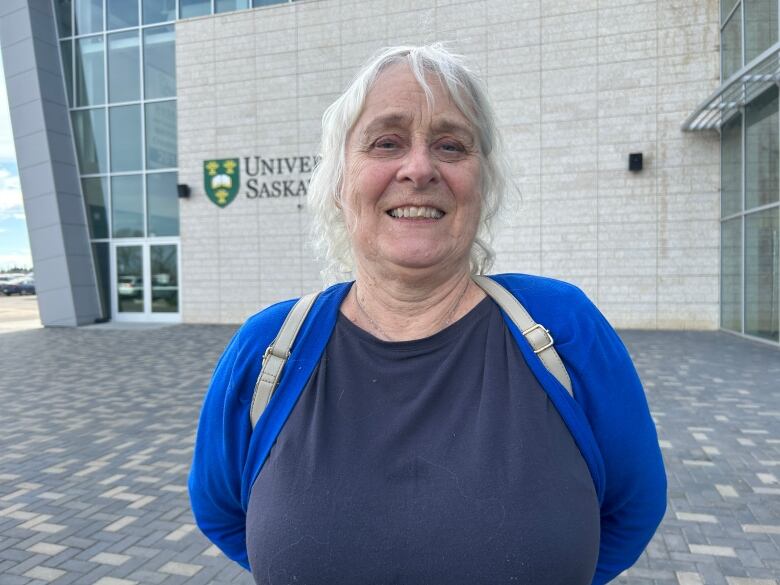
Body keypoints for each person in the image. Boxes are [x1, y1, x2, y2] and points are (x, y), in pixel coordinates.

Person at [189, 44, 667, 585]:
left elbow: (632, 511)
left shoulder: (564, 329)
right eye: (386, 142)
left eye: (450, 145)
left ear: (482, 182)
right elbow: (221, 512)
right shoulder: (268, 348)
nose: (419, 168)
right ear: (341, 182)